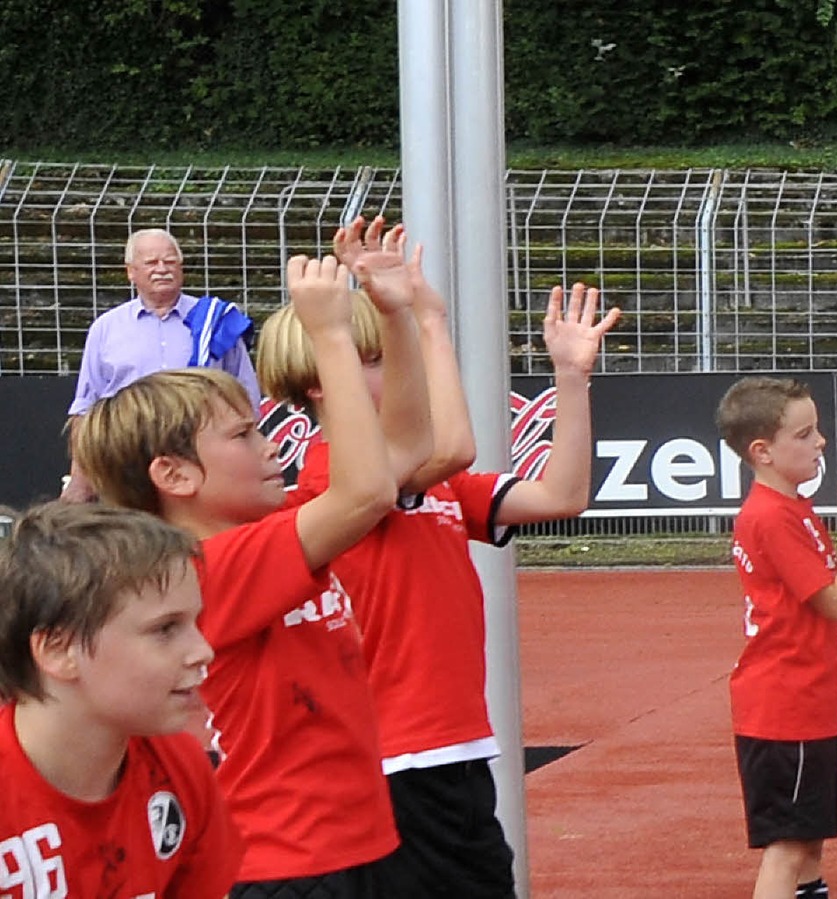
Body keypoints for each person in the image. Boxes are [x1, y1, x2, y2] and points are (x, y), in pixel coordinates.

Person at [255, 214, 621, 898]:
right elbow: (451, 445)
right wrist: (424, 321)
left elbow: (562, 494)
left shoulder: (428, 481)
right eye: (371, 359)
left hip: (446, 756)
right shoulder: (335, 483)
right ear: (316, 380)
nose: (394, 369)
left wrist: (571, 378)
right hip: (393, 762)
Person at [72, 252, 432, 897]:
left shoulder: (264, 538)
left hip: (346, 847)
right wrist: (329, 335)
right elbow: (370, 491)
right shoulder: (207, 569)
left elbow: (403, 452)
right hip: (284, 863)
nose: (269, 447)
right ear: (174, 475)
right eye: (243, 436)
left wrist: (397, 316)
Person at [714, 375, 837, 899]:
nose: (820, 442)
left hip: (803, 703)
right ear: (763, 451)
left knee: (810, 842)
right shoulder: (771, 516)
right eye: (804, 435)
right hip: (784, 706)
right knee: (788, 847)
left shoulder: (793, 509)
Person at [0, 500, 243, 897]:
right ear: (58, 651)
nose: (203, 650)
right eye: (165, 629)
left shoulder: (179, 766)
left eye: (194, 623)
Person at [62, 228, 261, 502]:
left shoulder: (215, 322)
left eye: (169, 261)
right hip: (128, 460)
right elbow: (86, 408)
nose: (162, 269)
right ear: (131, 272)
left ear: (181, 268)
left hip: (200, 459)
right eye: (151, 263)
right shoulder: (106, 328)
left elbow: (246, 397)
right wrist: (79, 480)